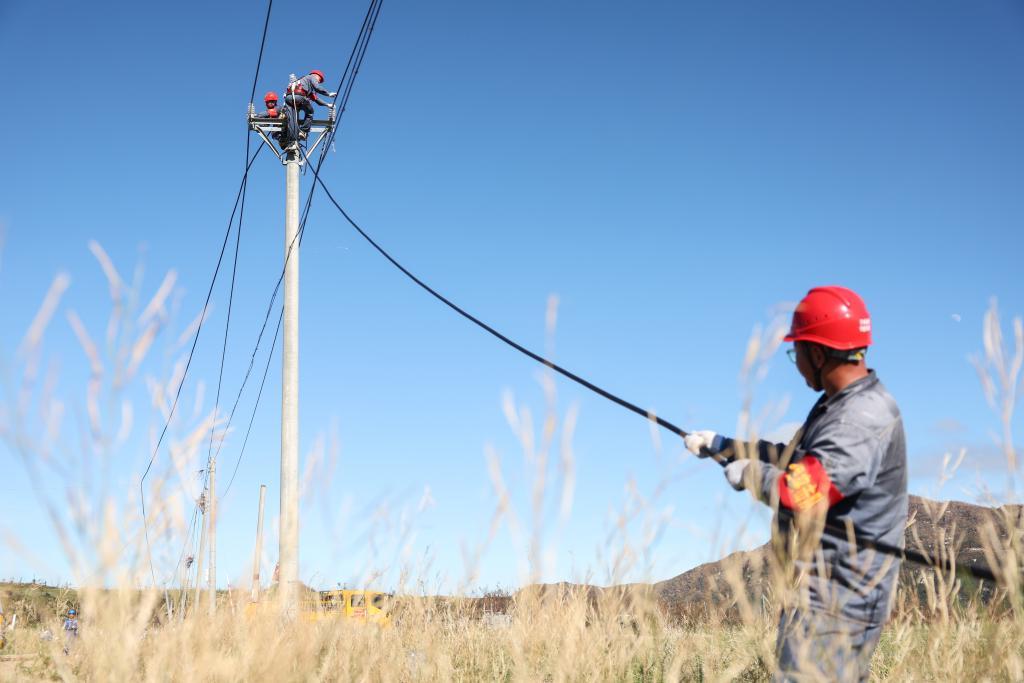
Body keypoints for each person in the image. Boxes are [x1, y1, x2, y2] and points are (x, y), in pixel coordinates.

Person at [684, 286, 907, 682]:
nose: (797, 362)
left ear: (817, 353)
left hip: (839, 604)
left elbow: (801, 492)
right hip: (821, 594)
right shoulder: (837, 404)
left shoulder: (859, 418)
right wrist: (726, 447)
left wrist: (747, 475)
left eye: (797, 352)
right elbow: (794, 461)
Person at [284, 69, 336, 139]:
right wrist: (328, 94)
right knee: (310, 112)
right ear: (316, 75)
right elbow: (317, 87)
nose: (318, 82)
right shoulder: (311, 77)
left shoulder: (301, 82)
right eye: (319, 80)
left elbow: (316, 99)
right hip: (299, 97)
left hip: (288, 99)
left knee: (292, 118)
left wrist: (327, 104)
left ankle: (292, 139)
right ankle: (303, 131)